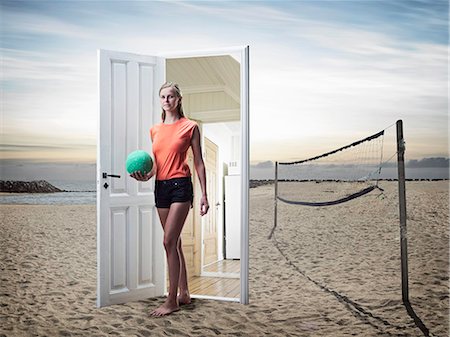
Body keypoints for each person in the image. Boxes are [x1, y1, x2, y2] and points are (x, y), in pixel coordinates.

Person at [130, 82, 209, 316]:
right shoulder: (154, 129)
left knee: (168, 242)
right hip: (160, 187)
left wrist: (205, 194)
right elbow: (157, 164)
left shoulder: (190, 127)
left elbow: (199, 162)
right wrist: (145, 177)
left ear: (179, 99)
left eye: (171, 96)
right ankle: (184, 293)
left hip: (180, 186)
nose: (167, 100)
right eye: (163, 96)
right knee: (175, 243)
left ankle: (171, 299)